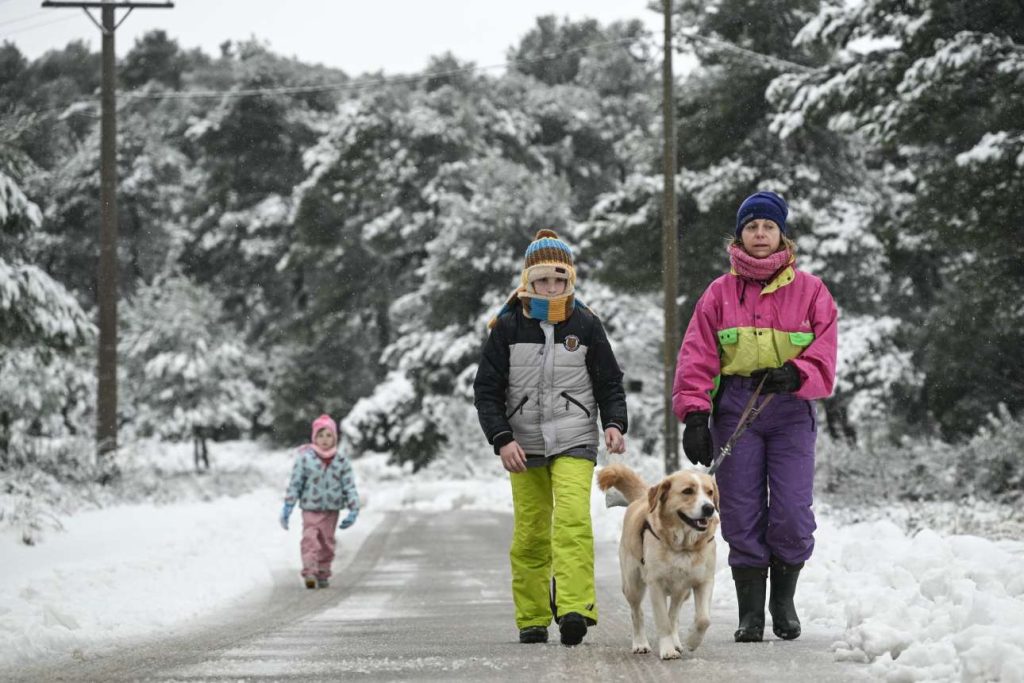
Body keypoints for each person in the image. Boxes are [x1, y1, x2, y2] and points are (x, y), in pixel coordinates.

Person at [672, 191, 837, 643]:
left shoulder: (811, 291)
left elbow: (824, 353)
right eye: (751, 227)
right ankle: (750, 614)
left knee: (790, 511)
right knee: (741, 510)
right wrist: (696, 415)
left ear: (781, 234)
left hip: (789, 408)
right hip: (737, 410)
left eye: (768, 227)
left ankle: (782, 602)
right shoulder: (719, 293)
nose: (760, 234)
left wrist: (796, 373)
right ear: (739, 236)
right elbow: (697, 356)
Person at [473, 229, 629, 647]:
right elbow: (486, 391)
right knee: (531, 532)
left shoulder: (586, 324)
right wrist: (502, 439)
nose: (552, 287)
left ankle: (576, 608)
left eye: (560, 280)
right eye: (543, 280)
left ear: (570, 280)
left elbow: (609, 382)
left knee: (573, 522)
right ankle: (533, 617)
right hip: (522, 445)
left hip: (575, 438)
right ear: (528, 281)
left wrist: (614, 423)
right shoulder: (506, 327)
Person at [279, 414, 360, 589]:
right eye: (320, 435)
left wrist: (354, 508)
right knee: (309, 539)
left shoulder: (341, 461)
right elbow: (295, 483)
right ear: (314, 437)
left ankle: (323, 572)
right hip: (310, 508)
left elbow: (349, 486)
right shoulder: (305, 459)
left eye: (328, 435)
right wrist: (288, 506)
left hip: (331, 509)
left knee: (326, 542)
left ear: (335, 437)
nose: (324, 440)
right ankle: (309, 571)